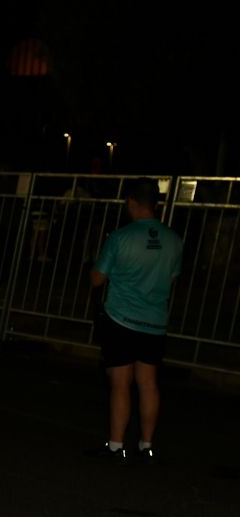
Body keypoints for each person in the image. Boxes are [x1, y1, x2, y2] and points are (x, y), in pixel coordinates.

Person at [87, 177, 183, 462]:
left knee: (120, 383)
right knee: (148, 382)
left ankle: (116, 446)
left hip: (121, 319)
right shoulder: (174, 241)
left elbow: (96, 279)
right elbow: (173, 278)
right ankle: (146, 444)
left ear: (131, 201)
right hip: (154, 320)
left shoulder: (120, 238)